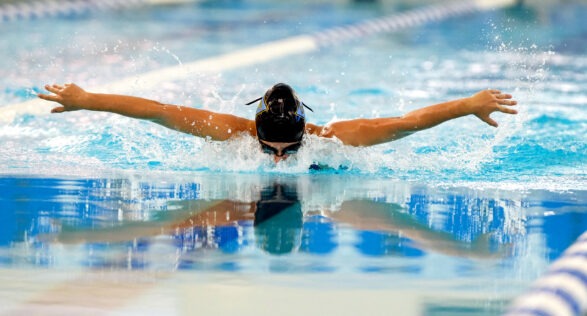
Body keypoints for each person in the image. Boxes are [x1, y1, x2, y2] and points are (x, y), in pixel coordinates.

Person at [37, 82, 517, 163]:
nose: (280, 158)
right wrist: (89, 100)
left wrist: (468, 104)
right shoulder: (231, 131)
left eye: (289, 150)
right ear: (256, 133)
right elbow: (161, 113)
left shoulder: (337, 138)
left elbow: (407, 123)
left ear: (310, 133)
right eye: (269, 150)